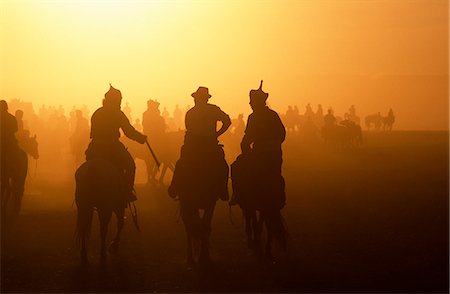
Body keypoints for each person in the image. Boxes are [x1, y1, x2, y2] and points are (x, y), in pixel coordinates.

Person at [85, 85, 147, 201]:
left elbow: (92, 133)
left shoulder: (97, 113)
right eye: (119, 100)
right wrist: (141, 138)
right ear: (115, 100)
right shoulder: (117, 113)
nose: (120, 102)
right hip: (112, 147)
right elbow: (129, 132)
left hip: (94, 147)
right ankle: (127, 192)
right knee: (130, 165)